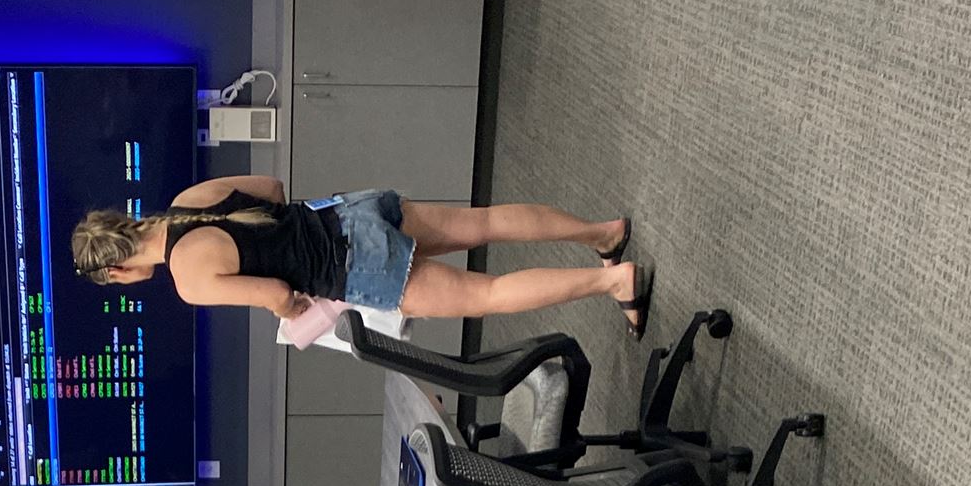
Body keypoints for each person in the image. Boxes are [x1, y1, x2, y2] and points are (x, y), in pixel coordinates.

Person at [72, 175, 653, 338]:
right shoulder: (187, 201)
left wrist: (289, 312)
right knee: (485, 222)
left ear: (117, 269)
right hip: (347, 213)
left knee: (488, 296)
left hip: (353, 267)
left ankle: (614, 283)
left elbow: (277, 294)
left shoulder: (188, 277)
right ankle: (603, 234)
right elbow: (272, 189)